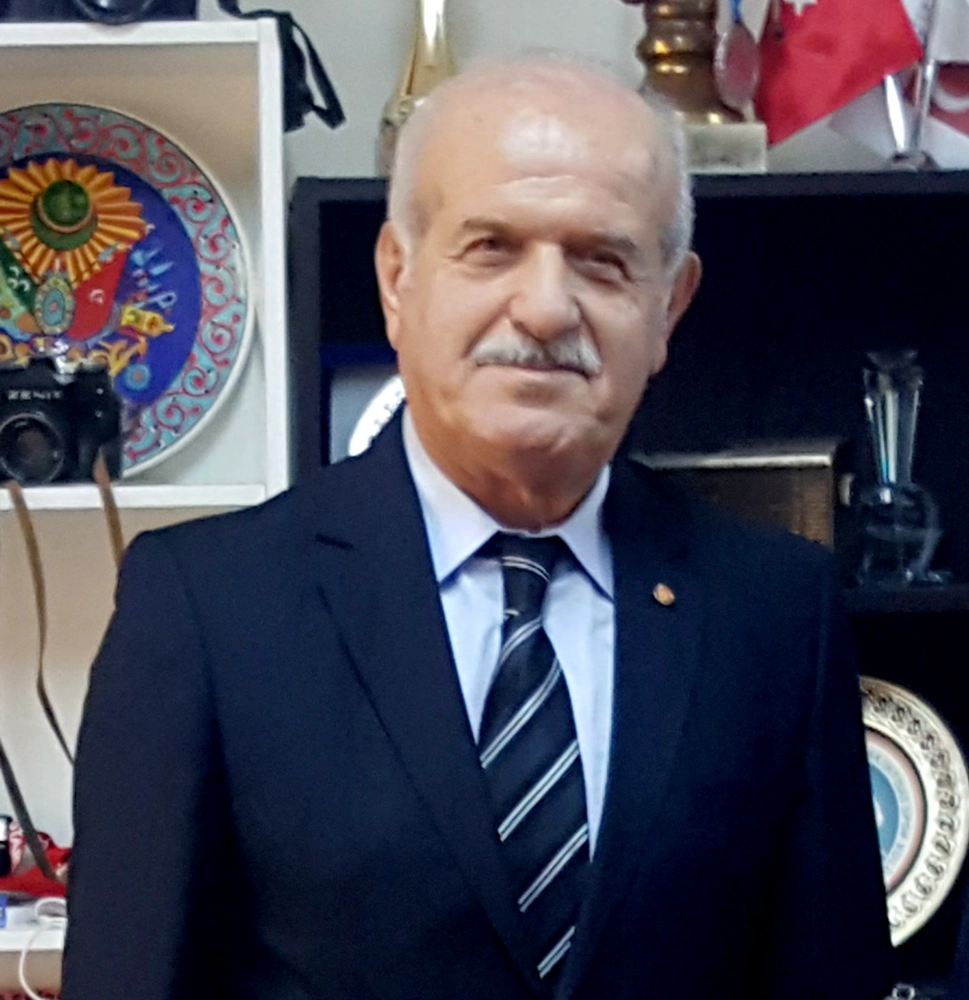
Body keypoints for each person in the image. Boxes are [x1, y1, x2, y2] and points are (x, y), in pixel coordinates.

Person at [62, 56, 893, 1000]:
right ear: (397, 278)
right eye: (491, 247)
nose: (543, 309)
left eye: (602, 260)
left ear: (668, 305)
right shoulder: (210, 609)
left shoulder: (775, 616)